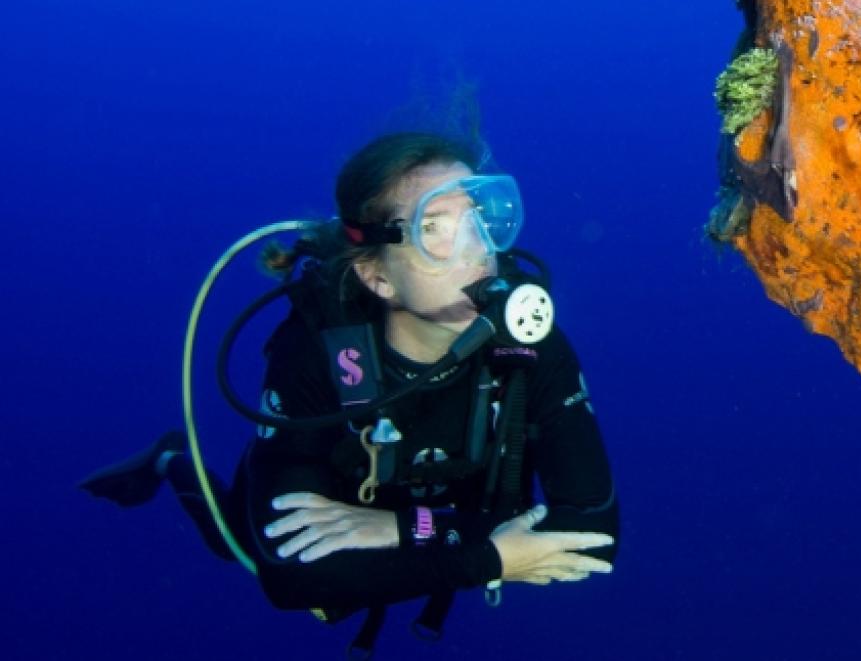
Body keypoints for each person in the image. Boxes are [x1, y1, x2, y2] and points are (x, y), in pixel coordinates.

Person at [80, 132, 619, 654]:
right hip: (337, 500)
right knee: (235, 544)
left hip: (429, 518)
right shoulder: (319, 349)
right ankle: (170, 460)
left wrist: (403, 528)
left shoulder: (530, 344)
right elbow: (290, 577)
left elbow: (595, 533)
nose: (477, 250)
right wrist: (493, 559)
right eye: (435, 227)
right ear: (376, 277)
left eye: (481, 216)